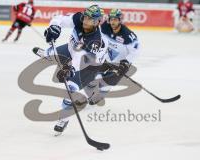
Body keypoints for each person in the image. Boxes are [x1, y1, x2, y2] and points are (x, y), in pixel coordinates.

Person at [33, 5, 112, 135]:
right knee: (51, 54)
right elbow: (59, 19)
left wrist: (69, 69)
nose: (86, 21)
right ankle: (49, 53)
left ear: (98, 22)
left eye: (90, 19)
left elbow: (80, 58)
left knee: (71, 90)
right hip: (71, 49)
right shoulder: (79, 18)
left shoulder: (95, 41)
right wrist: (55, 27)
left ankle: (64, 119)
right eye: (86, 17)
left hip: (88, 66)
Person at [85, 8, 140, 105]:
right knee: (92, 75)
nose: (112, 22)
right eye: (111, 19)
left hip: (121, 64)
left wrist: (126, 63)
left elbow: (135, 51)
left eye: (115, 19)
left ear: (120, 20)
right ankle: (91, 93)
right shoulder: (105, 27)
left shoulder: (127, 35)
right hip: (106, 59)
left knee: (107, 82)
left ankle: (100, 96)